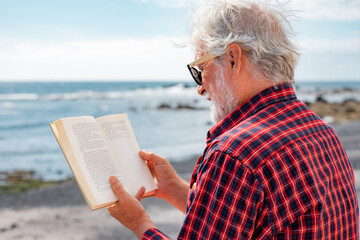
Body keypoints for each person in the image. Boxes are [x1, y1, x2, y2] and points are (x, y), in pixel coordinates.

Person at [107, 0, 359, 239]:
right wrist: (172, 187)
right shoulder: (319, 129)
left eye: (200, 70)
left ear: (232, 59)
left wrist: (140, 223)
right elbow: (245, 221)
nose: (200, 88)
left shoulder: (235, 155)